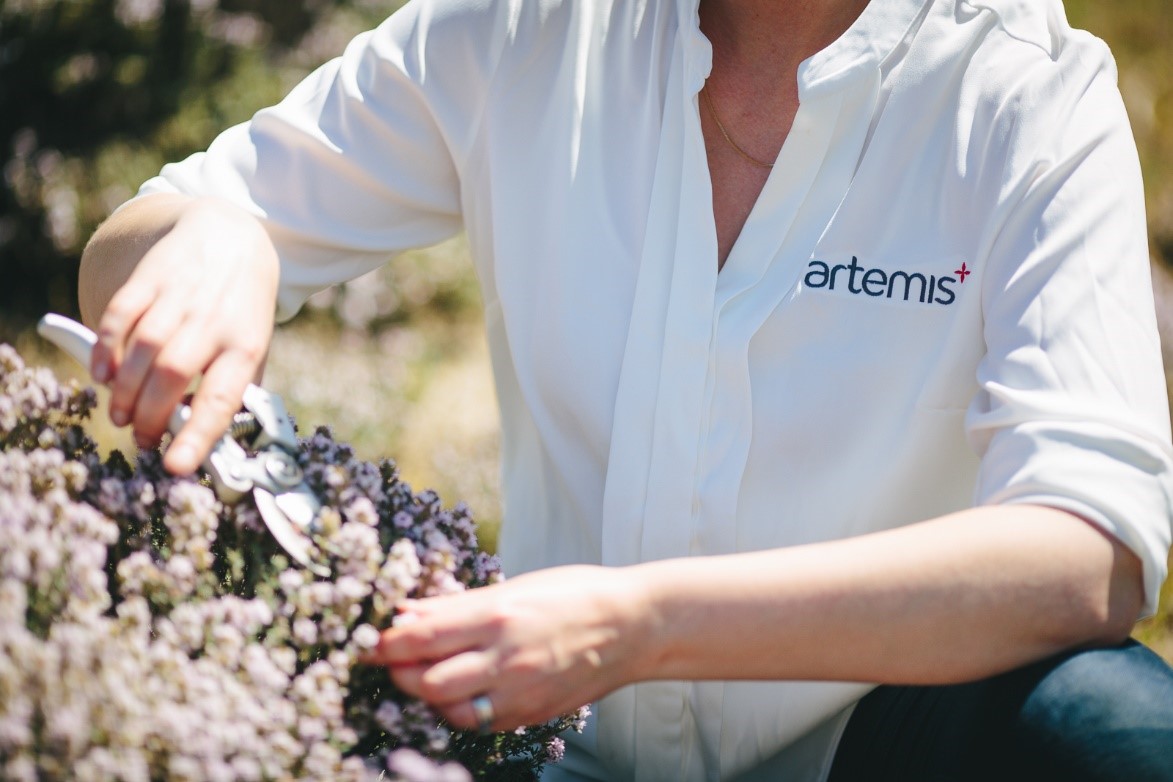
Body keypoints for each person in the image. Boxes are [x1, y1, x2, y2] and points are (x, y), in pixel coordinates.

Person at [78, 0, 1173, 779]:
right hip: (542, 747)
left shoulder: (1030, 94)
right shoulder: (520, 27)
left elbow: (1089, 551)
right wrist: (222, 235)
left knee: (1117, 729)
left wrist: (639, 624)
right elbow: (134, 248)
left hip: (877, 746)